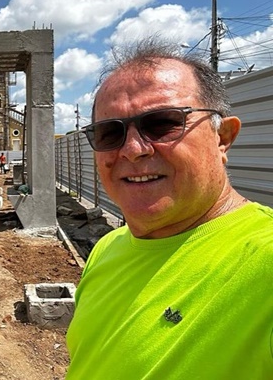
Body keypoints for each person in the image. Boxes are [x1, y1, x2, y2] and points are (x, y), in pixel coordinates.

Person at [65, 38, 273, 379]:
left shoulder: (266, 263)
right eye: (108, 133)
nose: (132, 149)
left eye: (162, 122)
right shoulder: (107, 249)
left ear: (223, 138)